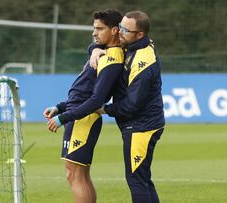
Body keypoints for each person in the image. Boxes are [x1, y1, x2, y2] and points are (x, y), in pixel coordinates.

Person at [43, 9, 123, 203]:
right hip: (79, 115)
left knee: (75, 175)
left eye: (99, 29)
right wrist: (61, 107)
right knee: (80, 175)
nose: (94, 33)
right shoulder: (102, 52)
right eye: (93, 29)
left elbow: (96, 100)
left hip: (83, 119)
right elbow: (84, 91)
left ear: (114, 31)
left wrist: (63, 117)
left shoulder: (111, 58)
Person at [92, 11, 165, 203]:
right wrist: (94, 49)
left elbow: (133, 104)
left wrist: (106, 109)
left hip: (141, 126)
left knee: (136, 180)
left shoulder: (143, 61)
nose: (119, 32)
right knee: (142, 180)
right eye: (120, 26)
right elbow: (103, 40)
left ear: (139, 34)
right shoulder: (134, 44)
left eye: (125, 29)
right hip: (141, 123)